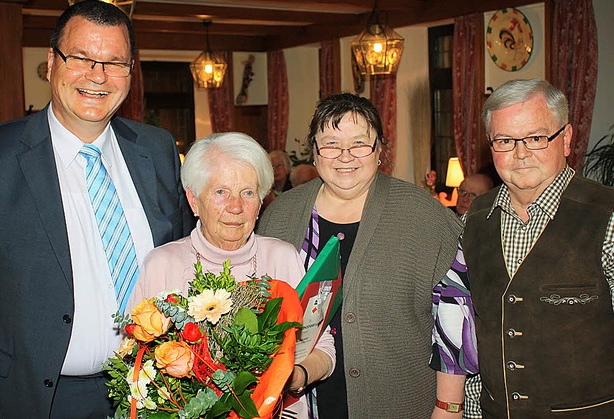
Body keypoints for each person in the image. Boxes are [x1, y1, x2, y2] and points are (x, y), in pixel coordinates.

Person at [0, 1, 193, 417]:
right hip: (45, 400)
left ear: (131, 72)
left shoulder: (157, 149)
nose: (98, 76)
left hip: (159, 391)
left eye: (114, 62)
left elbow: (183, 262)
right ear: (51, 62)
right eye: (81, 58)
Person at [258, 93, 477, 418]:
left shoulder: (423, 215)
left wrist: (448, 406)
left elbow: (455, 316)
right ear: (314, 153)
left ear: (379, 151)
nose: (345, 156)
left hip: (396, 399)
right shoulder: (280, 215)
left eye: (360, 143)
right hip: (299, 404)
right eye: (330, 143)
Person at [130, 132, 335, 419]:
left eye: (248, 193)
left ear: (262, 200)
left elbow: (322, 346)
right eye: (220, 192)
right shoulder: (162, 264)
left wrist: (290, 378)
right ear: (193, 200)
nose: (236, 207)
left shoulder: (282, 256)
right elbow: (133, 360)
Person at [462, 79, 614, 417]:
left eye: (535, 137)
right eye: (505, 140)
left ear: (567, 139)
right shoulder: (472, 222)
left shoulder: (607, 216)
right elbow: (471, 339)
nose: (520, 153)